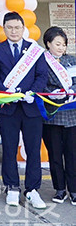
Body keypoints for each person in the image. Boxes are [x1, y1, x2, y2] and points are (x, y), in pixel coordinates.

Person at [0, 11, 48, 209]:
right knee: (8, 148)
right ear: (3, 29)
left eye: (17, 27)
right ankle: (12, 188)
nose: (13, 31)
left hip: (31, 107)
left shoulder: (35, 51)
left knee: (33, 150)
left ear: (23, 29)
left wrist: (32, 91)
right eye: (9, 28)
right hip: (8, 108)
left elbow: (42, 75)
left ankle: (32, 189)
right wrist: (6, 91)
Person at [41, 26, 76, 205]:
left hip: (72, 114)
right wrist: (53, 93)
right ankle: (60, 189)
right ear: (48, 44)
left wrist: (72, 91)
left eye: (63, 44)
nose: (61, 48)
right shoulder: (42, 62)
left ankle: (74, 190)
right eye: (57, 44)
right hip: (52, 114)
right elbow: (39, 83)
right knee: (54, 154)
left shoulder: (72, 60)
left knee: (72, 154)